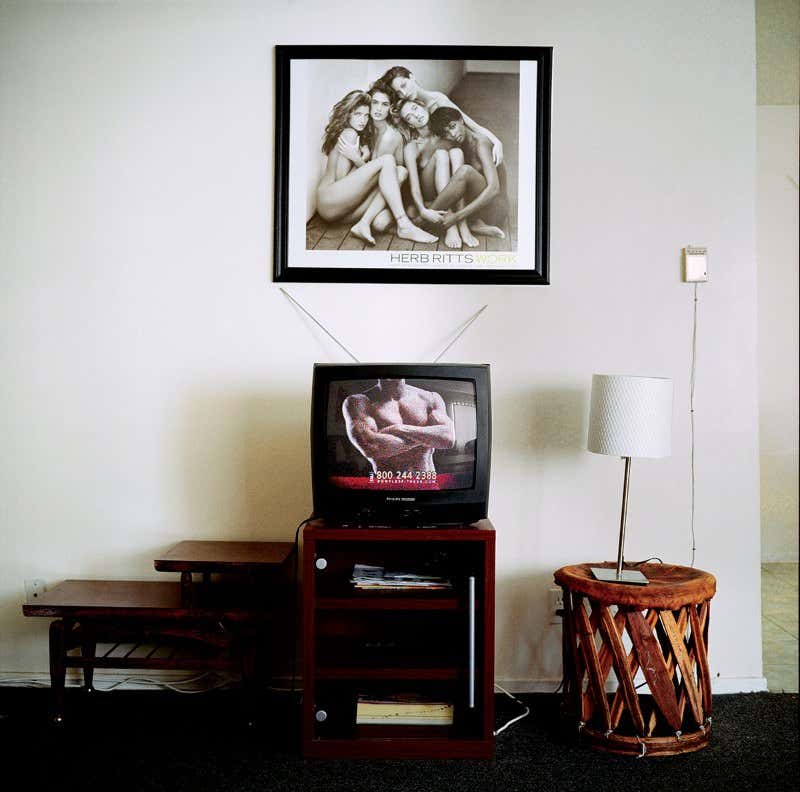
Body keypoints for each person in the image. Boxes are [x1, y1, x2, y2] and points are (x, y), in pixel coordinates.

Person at [316, 90, 437, 245]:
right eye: (358, 114)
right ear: (348, 115)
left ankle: (363, 223)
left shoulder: (364, 134)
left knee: (400, 172)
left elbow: (358, 184)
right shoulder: (349, 134)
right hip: (330, 200)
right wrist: (358, 159)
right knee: (387, 161)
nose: (363, 120)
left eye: (366, 115)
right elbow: (342, 179)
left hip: (341, 213)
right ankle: (404, 224)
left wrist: (361, 159)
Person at [393, 98, 479, 249]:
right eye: (409, 117)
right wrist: (422, 210)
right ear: (410, 125)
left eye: (414, 108)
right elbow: (414, 185)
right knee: (441, 155)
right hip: (429, 193)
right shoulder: (413, 146)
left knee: (457, 152)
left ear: (423, 106)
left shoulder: (444, 132)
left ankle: (462, 224)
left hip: (453, 188)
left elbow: (467, 127)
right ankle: (450, 227)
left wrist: (496, 141)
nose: (416, 115)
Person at [376, 66, 504, 166]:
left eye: (404, 85)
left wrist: (496, 141)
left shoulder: (438, 99)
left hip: (458, 151)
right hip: (438, 157)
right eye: (399, 92)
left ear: (412, 77)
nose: (404, 92)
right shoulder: (409, 110)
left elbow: (470, 124)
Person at [423, 106, 508, 239]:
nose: (452, 135)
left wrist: (456, 217)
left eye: (452, 127)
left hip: (494, 209)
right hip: (475, 206)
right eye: (446, 133)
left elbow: (494, 189)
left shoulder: (481, 143)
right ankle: (472, 224)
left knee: (465, 171)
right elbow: (428, 160)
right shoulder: (456, 142)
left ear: (461, 120)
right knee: (449, 157)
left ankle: (421, 221)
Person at [342, 379, 455, 475]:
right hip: (388, 487)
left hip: (427, 484)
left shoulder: (430, 398)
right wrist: (430, 438)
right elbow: (372, 446)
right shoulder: (358, 402)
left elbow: (448, 438)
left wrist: (399, 429)